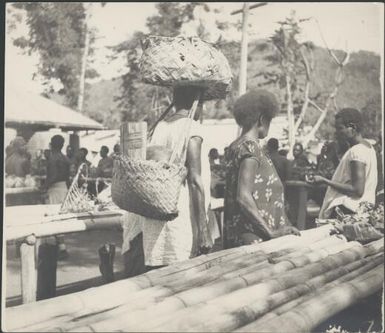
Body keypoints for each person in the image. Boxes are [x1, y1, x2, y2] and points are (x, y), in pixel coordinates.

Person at [122, 86, 213, 274]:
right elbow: (195, 181)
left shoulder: (158, 128)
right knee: (181, 278)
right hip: (180, 220)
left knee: (156, 278)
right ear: (197, 103)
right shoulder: (193, 130)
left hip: (155, 217)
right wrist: (204, 231)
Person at [223, 90, 300, 249]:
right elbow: (243, 197)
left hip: (242, 235)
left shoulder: (235, 146)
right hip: (255, 238)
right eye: (270, 120)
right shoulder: (250, 147)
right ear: (261, 119)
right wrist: (270, 232)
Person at [308, 108, 378, 219]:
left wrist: (325, 181)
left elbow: (357, 190)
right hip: (361, 210)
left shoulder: (357, 151)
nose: (337, 133)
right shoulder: (368, 148)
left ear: (352, 127)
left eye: (340, 128)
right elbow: (347, 177)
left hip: (348, 210)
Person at [45, 135, 71, 259]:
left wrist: (44, 186)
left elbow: (53, 175)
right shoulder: (65, 158)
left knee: (54, 217)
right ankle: (59, 246)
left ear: (51, 144)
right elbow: (67, 176)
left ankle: (61, 248)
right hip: (63, 187)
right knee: (59, 217)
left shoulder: (52, 158)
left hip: (55, 188)